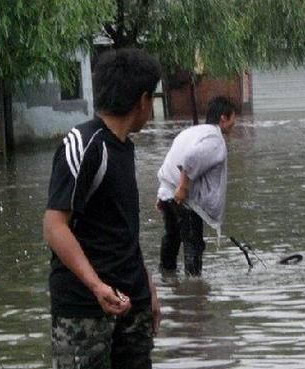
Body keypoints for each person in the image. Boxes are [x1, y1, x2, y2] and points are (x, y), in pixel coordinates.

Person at [43, 48, 162, 369]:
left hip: (132, 304)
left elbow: (122, 227)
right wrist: (97, 286)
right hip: (84, 310)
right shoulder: (83, 144)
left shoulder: (124, 147)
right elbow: (55, 226)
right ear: (142, 100)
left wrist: (147, 286)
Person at [156, 96, 238, 276]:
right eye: (233, 118)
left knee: (172, 237)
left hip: (168, 192)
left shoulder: (191, 132)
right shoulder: (214, 139)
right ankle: (194, 289)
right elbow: (190, 159)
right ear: (223, 118)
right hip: (186, 200)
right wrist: (183, 188)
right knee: (193, 243)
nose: (234, 123)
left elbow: (171, 160)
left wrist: (162, 194)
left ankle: (167, 277)